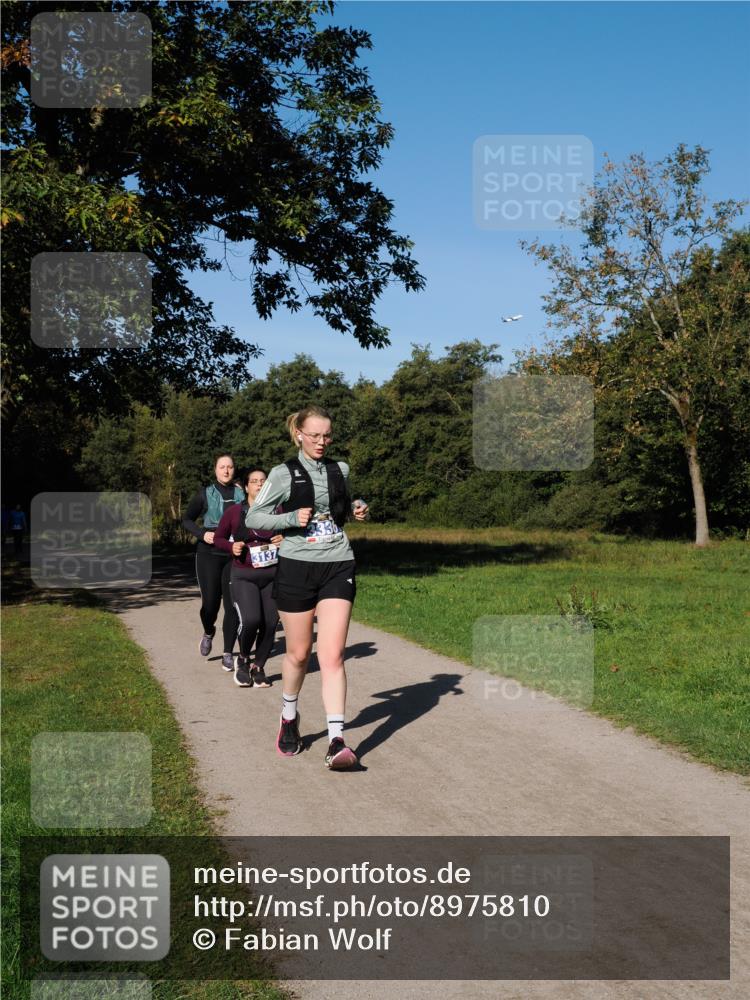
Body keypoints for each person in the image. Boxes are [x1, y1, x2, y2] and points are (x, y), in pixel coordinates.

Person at [246, 405, 369, 770]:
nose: (321, 441)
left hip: (337, 563)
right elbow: (255, 516)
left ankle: (336, 740)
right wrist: (288, 518)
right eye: (314, 435)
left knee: (332, 656)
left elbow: (341, 507)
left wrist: (358, 508)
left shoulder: (339, 469)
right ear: (298, 433)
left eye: (326, 435)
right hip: (297, 567)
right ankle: (289, 716)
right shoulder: (283, 474)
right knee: (299, 654)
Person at [214, 467, 283, 689]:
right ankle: (243, 659)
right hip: (244, 576)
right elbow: (218, 538)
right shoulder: (235, 512)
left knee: (271, 622)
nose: (260, 485)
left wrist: (284, 539)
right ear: (246, 487)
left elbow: (293, 535)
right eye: (254, 481)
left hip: (272, 576)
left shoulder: (279, 510)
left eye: (263, 481)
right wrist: (231, 546)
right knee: (252, 619)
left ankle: (259, 666)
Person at [182, 454, 244, 671]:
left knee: (232, 606)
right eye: (222, 467)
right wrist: (202, 534)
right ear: (215, 470)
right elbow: (186, 519)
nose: (226, 471)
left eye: (229, 467)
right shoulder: (205, 494)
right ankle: (209, 632)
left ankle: (228, 652)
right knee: (210, 605)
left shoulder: (242, 494)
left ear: (234, 469)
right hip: (208, 553)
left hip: (233, 555)